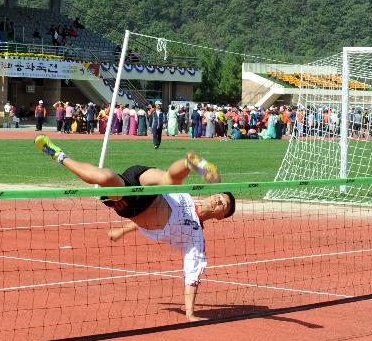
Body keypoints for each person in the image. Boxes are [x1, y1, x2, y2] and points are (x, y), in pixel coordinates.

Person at [34, 135, 233, 321]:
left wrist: (189, 313)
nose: (218, 200)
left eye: (223, 204)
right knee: (169, 181)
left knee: (105, 177)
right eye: (219, 196)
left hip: (135, 206)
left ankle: (59, 155)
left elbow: (192, 274)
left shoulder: (195, 237)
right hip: (145, 182)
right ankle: (191, 162)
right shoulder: (186, 197)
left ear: (220, 217)